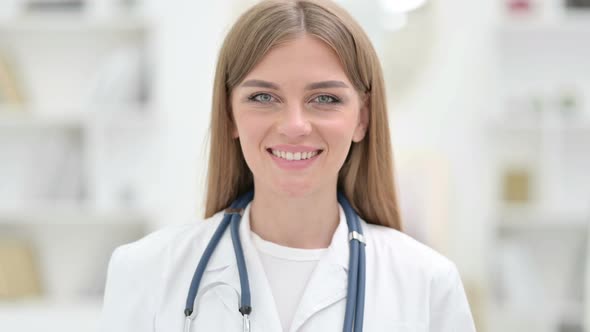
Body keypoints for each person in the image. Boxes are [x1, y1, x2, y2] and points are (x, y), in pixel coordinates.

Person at [99, 0, 477, 331]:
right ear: (229, 114)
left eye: (325, 98)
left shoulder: (426, 282)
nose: (295, 125)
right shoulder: (145, 271)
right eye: (263, 96)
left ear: (362, 118)